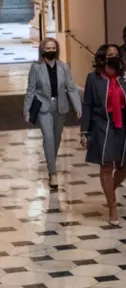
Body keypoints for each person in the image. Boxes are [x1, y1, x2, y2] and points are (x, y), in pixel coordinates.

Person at [80, 44, 126, 226]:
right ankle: (112, 206)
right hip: (103, 124)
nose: (113, 56)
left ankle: (110, 190)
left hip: (123, 123)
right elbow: (88, 105)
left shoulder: (125, 78)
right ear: (102, 57)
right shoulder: (94, 78)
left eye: (116, 53)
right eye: (110, 54)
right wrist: (84, 131)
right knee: (106, 165)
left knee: (125, 165)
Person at [24, 37, 82, 191]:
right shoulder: (36, 68)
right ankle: (53, 173)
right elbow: (30, 90)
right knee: (48, 137)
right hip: (44, 107)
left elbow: (71, 88)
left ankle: (51, 162)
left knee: (56, 139)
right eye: (48, 48)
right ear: (42, 51)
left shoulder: (64, 67)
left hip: (60, 106)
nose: (51, 51)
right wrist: (27, 110)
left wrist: (78, 106)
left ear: (57, 50)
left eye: (53, 48)